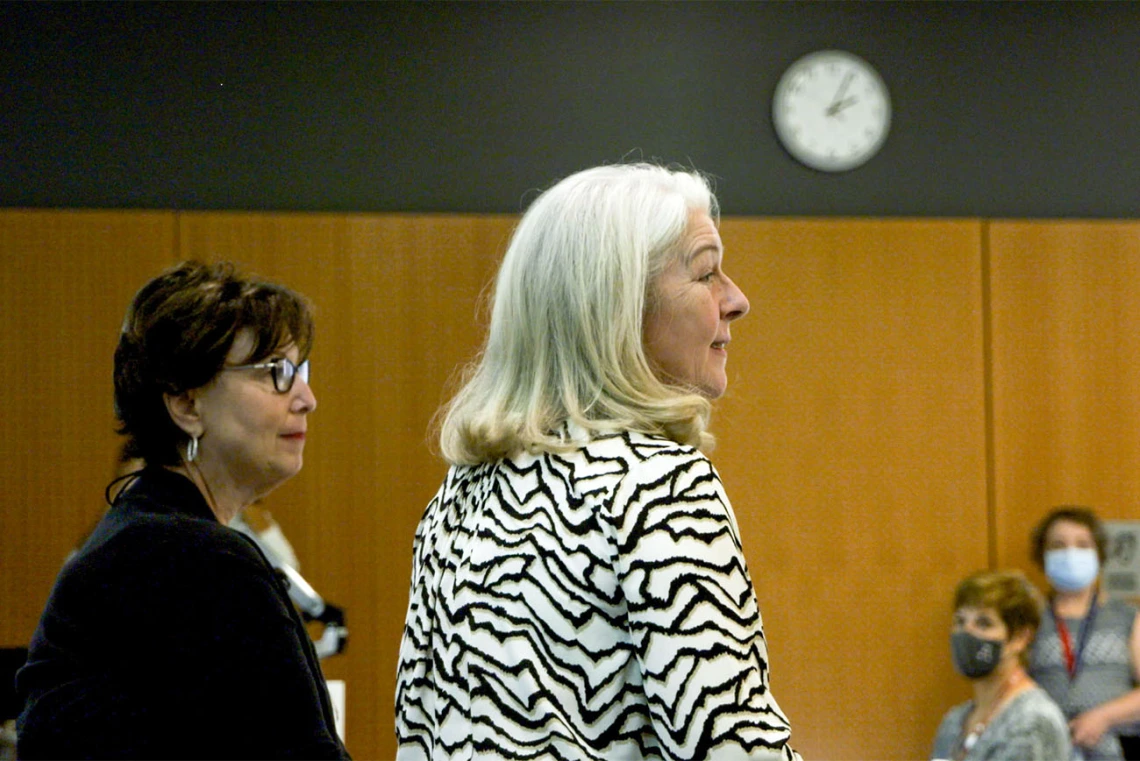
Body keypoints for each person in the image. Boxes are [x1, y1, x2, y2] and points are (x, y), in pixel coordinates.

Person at [394, 163, 798, 760]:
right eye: (706, 272)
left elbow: (416, 738)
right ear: (616, 306)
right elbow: (729, 745)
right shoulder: (659, 485)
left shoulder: (456, 499)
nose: (736, 300)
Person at [16, 261, 349, 759]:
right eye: (276, 372)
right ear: (187, 405)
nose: (307, 399)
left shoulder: (144, 537)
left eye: (301, 370)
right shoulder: (191, 558)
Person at [1028, 506, 1140, 760]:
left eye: (1082, 544)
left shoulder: (1128, 617)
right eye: (1058, 545)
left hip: (1113, 747)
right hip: (1045, 749)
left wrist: (1103, 717)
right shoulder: (1028, 619)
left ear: (1098, 554)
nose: (1070, 553)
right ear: (1042, 556)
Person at [931, 570, 1070, 761]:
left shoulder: (1034, 720)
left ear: (1020, 638)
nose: (967, 633)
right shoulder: (954, 722)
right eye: (960, 621)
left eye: (983, 623)